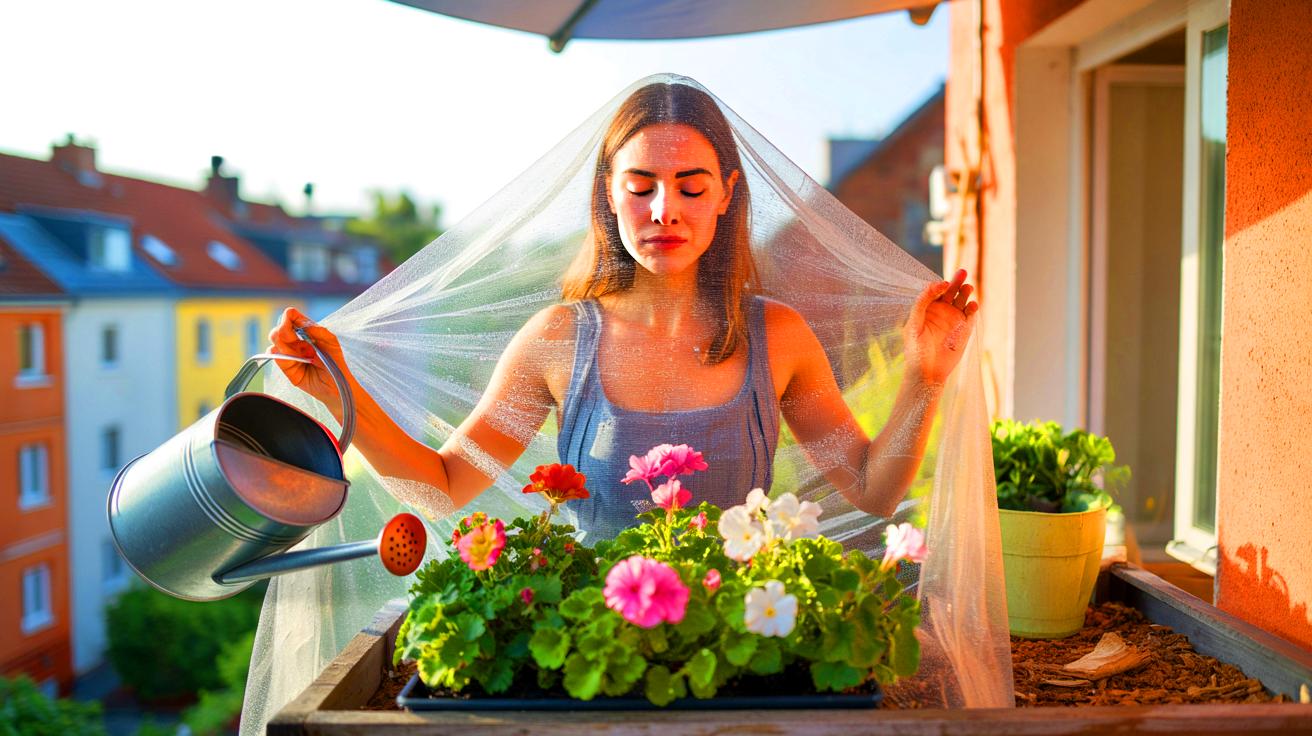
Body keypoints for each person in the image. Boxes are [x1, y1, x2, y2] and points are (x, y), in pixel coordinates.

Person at [268, 82, 978, 539]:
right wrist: (341, 396)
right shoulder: (557, 343)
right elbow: (445, 487)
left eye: (691, 187)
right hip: (595, 668)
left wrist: (925, 379)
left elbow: (874, 491)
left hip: (744, 664)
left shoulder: (778, 338)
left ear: (728, 194)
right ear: (609, 192)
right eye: (641, 185)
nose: (664, 210)